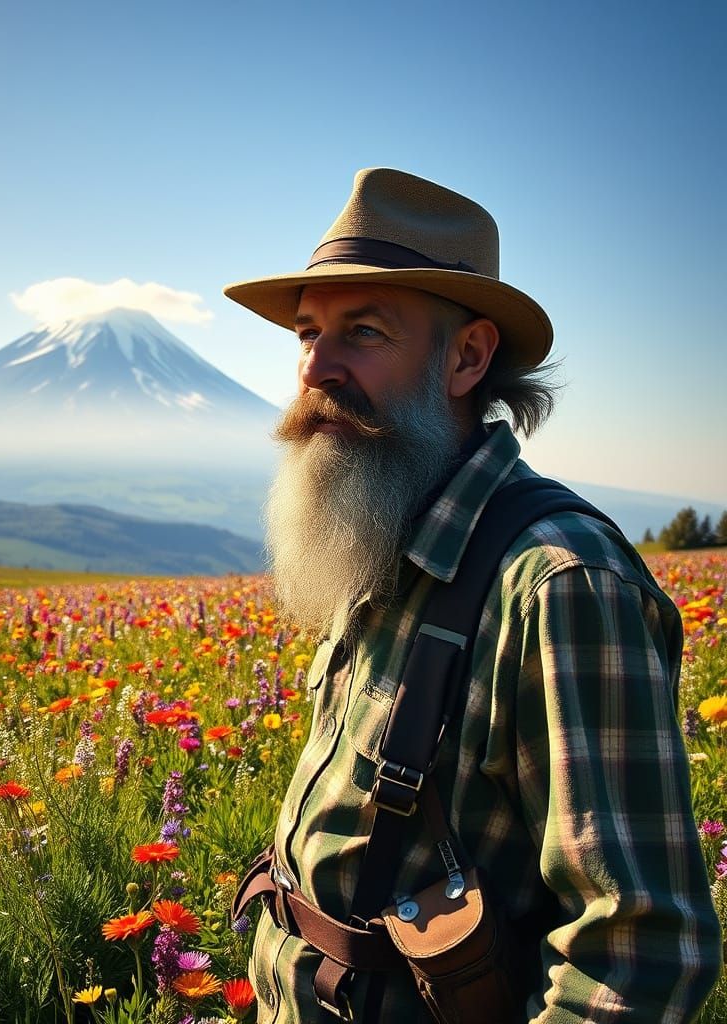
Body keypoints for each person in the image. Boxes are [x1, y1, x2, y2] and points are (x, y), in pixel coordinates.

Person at [223, 169, 722, 1023]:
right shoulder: (382, 527)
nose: (316, 369)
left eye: (364, 332)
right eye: (307, 333)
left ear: (468, 357)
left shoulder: (561, 587)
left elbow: (638, 956)